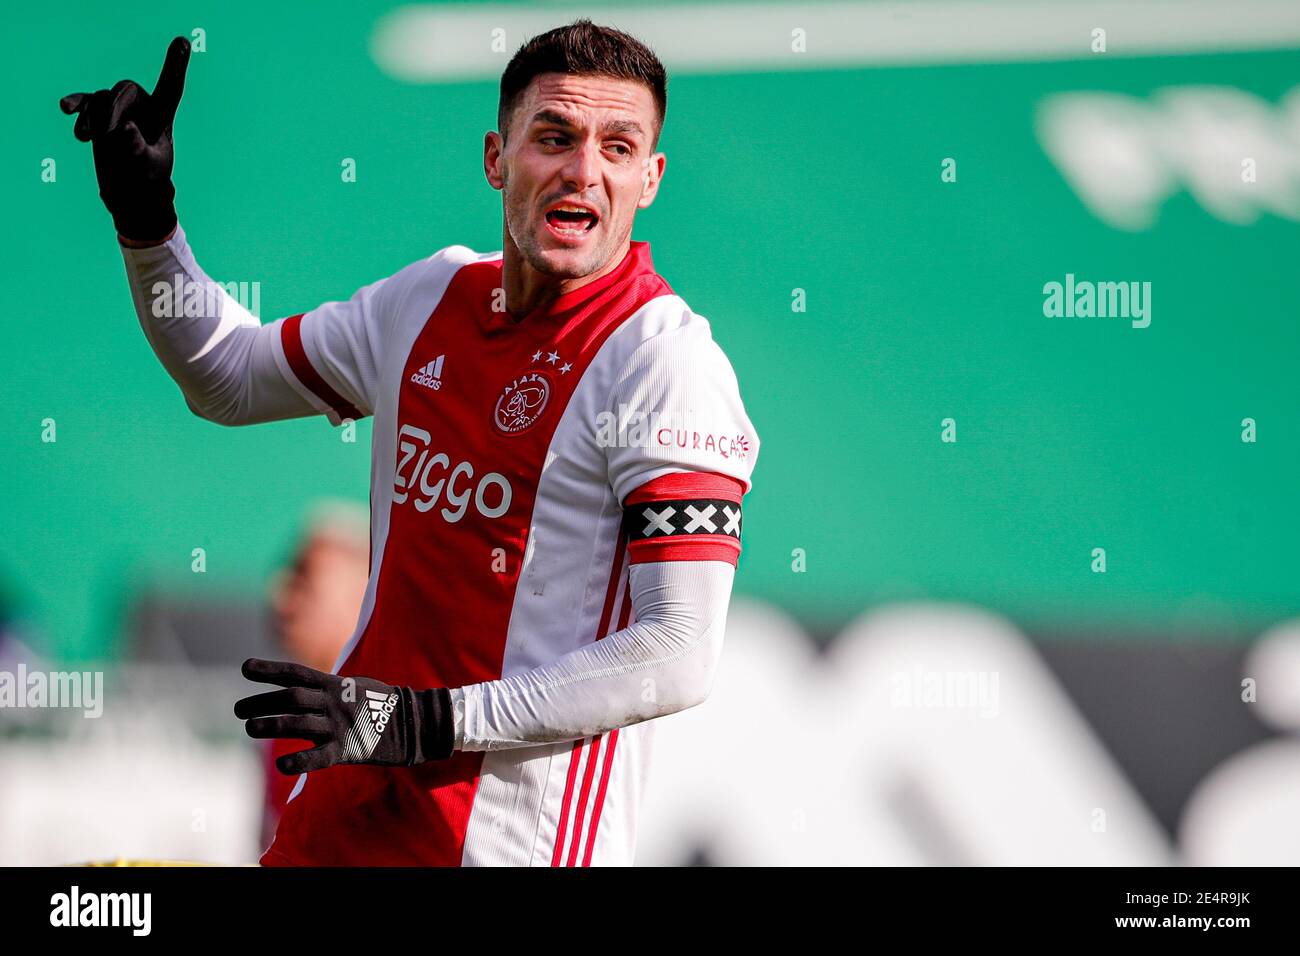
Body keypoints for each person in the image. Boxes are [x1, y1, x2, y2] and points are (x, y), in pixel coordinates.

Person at [60, 19, 760, 866]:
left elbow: (678, 654)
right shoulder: (431, 297)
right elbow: (230, 377)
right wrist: (148, 222)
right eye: (555, 137)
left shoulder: (665, 364)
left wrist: (426, 722)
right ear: (497, 160)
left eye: (618, 148)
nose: (584, 171)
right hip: (341, 813)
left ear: (649, 179)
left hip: (504, 846)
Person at [260, 500, 370, 851]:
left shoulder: (389, 728)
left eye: (304, 577)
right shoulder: (286, 720)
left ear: (363, 594)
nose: (279, 596)